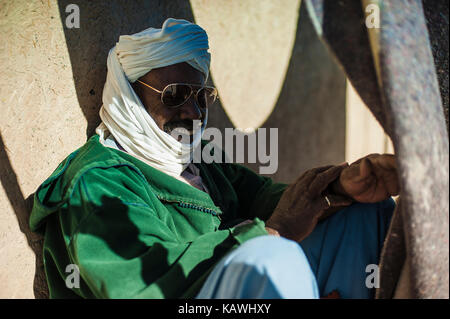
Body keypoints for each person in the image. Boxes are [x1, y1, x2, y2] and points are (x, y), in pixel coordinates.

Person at [29, 18, 398, 299]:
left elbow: (265, 198)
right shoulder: (98, 182)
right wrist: (270, 233)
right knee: (272, 260)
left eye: (201, 96)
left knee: (364, 212)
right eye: (174, 95)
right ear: (129, 98)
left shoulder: (197, 159)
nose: (193, 111)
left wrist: (338, 186)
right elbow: (138, 285)